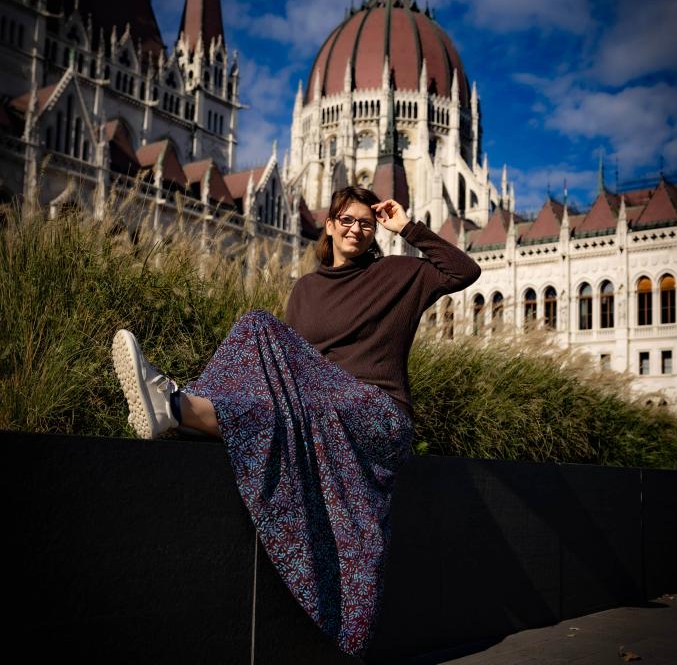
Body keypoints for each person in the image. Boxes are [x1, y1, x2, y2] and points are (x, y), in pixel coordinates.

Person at [111, 186, 481, 656]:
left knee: (260, 328)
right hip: (319, 406)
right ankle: (178, 409)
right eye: (347, 220)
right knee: (257, 336)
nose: (357, 229)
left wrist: (406, 226)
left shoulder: (398, 274)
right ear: (329, 225)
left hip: (377, 412)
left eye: (367, 223)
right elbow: (290, 370)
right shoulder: (306, 289)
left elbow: (464, 271)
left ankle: (179, 406)